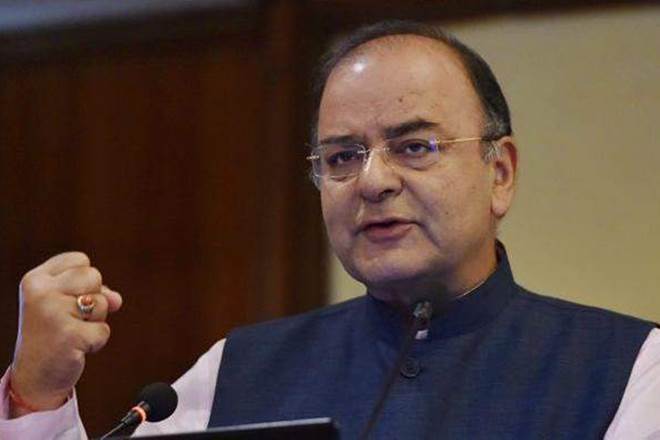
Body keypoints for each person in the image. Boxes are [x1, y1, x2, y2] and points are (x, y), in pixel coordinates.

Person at [1, 20, 659, 439]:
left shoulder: (629, 369)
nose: (373, 182)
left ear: (501, 173)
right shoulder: (239, 370)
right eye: (342, 156)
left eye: (415, 147)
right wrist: (39, 395)